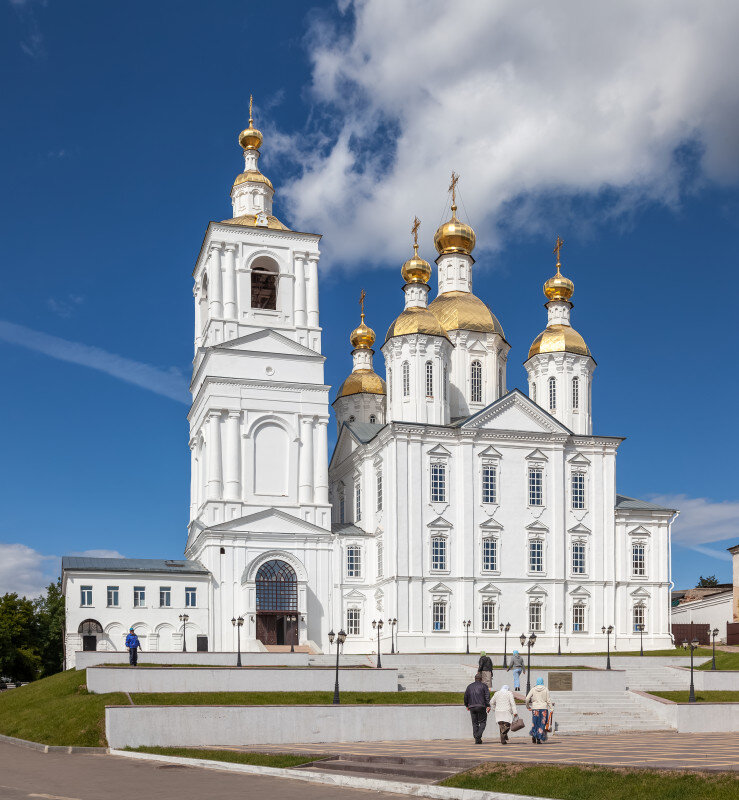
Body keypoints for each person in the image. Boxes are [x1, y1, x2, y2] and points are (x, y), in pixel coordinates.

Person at [463, 672, 490, 744]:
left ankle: (477, 739)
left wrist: (467, 705)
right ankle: (478, 736)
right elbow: (487, 696)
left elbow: (466, 697)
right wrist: (488, 705)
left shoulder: (469, 686)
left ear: (475, 679)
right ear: (481, 679)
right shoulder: (484, 686)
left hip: (472, 706)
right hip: (481, 706)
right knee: (483, 722)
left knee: (474, 723)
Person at [526, 677, 554, 744]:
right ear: (542, 682)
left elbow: (527, 698)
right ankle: (538, 738)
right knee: (542, 724)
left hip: (535, 708)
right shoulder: (546, 689)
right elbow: (548, 700)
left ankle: (534, 735)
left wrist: (528, 706)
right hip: (543, 709)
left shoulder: (533, 689)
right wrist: (551, 708)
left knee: (535, 723)